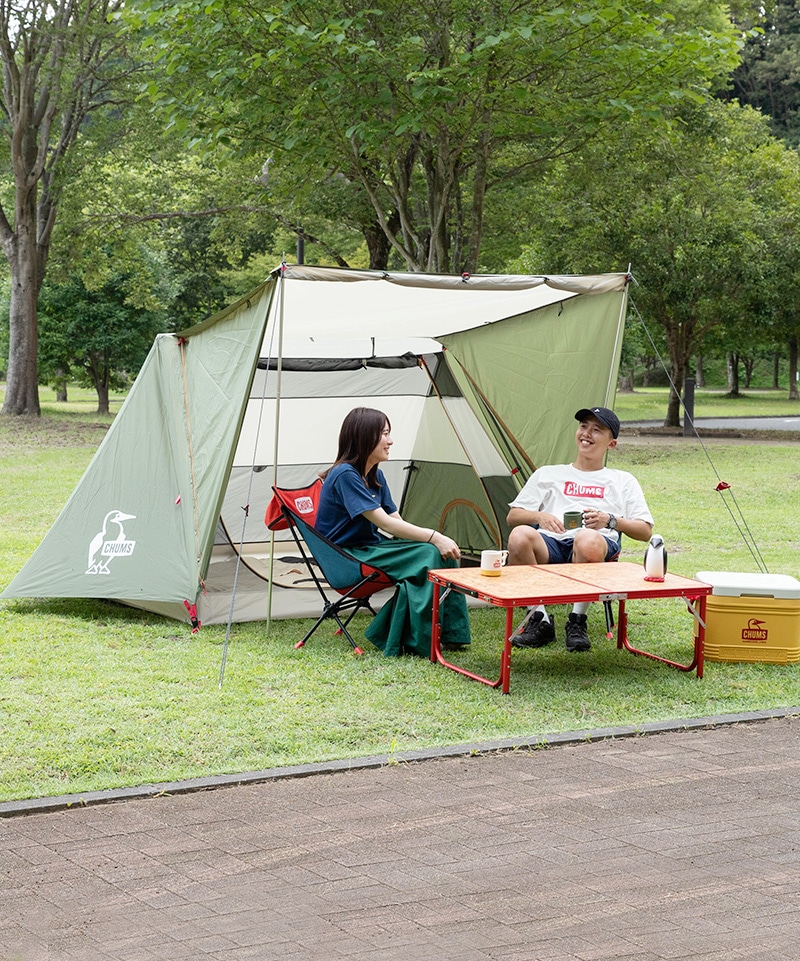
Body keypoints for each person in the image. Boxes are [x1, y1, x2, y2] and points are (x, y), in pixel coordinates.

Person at [315, 407, 471, 657]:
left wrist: (434, 543)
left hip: (370, 549)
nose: (390, 440)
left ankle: (451, 633)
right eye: (384, 434)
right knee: (428, 555)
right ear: (365, 437)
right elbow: (384, 524)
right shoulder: (345, 475)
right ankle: (419, 640)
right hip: (347, 558)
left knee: (440, 554)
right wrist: (435, 537)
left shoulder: (375, 476)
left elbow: (396, 522)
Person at [506, 406, 653, 653]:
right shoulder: (549, 473)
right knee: (519, 535)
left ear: (612, 444)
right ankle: (539, 620)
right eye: (584, 426)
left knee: (586, 538)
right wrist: (540, 516)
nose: (587, 434)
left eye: (597, 430)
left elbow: (645, 531)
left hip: (596, 544)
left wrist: (610, 521)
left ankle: (577, 621)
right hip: (552, 541)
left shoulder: (622, 480)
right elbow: (514, 516)